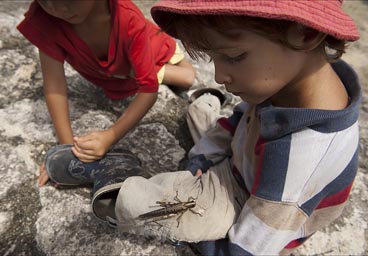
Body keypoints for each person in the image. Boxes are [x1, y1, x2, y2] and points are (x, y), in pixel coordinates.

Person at [112, 0, 362, 255]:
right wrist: (202, 160)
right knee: (200, 113)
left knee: (136, 204)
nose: (220, 76)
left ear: (306, 33)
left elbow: (251, 245)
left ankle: (105, 180)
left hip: (250, 203)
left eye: (233, 57)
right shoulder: (287, 80)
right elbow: (243, 117)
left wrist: (206, 242)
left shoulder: (302, 157)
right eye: (213, 58)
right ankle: (208, 108)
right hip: (244, 157)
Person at [16, 0, 196, 187]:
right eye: (44, 1)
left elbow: (148, 90)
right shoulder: (45, 17)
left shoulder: (127, 19)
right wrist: (67, 152)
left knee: (186, 77)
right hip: (107, 70)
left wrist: (110, 135)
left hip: (150, 49)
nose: (58, 8)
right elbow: (54, 85)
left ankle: (141, 70)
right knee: (133, 72)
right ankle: (130, 71)